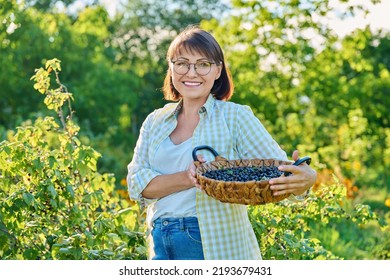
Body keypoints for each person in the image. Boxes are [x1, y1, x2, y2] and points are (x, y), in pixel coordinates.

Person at [126, 25, 317, 260]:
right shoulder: (155, 121)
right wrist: (190, 178)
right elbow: (137, 185)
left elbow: (280, 171)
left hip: (209, 241)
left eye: (203, 64)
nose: (191, 72)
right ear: (171, 68)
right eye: (182, 63)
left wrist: (306, 178)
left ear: (217, 70)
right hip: (159, 240)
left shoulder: (234, 117)